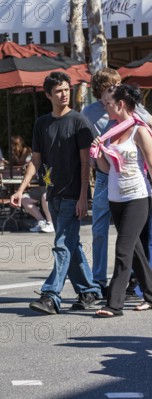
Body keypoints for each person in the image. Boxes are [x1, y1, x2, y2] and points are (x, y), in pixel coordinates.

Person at [10, 71, 102, 315]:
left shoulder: (79, 122)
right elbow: (36, 160)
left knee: (62, 244)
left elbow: (86, 163)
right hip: (53, 194)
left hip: (74, 194)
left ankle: (51, 295)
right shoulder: (42, 123)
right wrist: (21, 189)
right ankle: (90, 291)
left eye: (66, 89)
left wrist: (84, 196)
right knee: (71, 246)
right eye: (59, 91)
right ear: (48, 95)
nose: (64, 94)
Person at [81, 68, 152, 298]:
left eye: (118, 85)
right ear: (100, 91)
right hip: (104, 176)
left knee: (131, 237)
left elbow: (147, 126)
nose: (116, 90)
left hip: (132, 176)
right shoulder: (90, 113)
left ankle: (129, 285)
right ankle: (99, 279)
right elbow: (84, 141)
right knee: (99, 228)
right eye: (111, 86)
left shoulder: (131, 107)